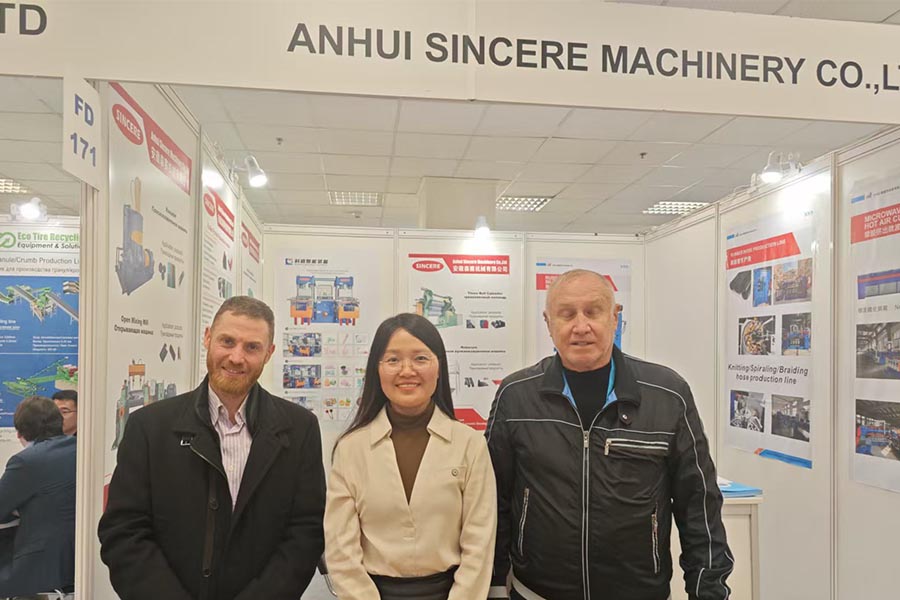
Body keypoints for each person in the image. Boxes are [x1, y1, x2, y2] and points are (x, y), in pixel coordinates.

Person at [486, 270, 732, 600]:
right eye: (567, 314)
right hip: (535, 593)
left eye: (593, 311)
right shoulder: (516, 396)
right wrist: (493, 585)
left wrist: (708, 591)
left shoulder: (667, 394)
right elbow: (493, 500)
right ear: (548, 322)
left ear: (615, 317)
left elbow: (698, 503)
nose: (581, 326)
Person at [98, 296, 325, 600]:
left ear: (269, 353)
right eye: (227, 341)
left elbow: (305, 533)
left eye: (252, 347)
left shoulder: (299, 429)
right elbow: (124, 532)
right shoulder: (149, 427)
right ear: (208, 338)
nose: (236, 357)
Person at [325, 313, 496, 599]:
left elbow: (480, 545)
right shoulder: (351, 448)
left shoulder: (470, 444)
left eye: (420, 358)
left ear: (439, 367)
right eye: (393, 360)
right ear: (377, 370)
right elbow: (341, 551)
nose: (407, 370)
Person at [0, 396, 76, 596]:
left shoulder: (26, 461)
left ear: (19, 432)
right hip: (76, 561)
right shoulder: (79, 449)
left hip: (39, 567)